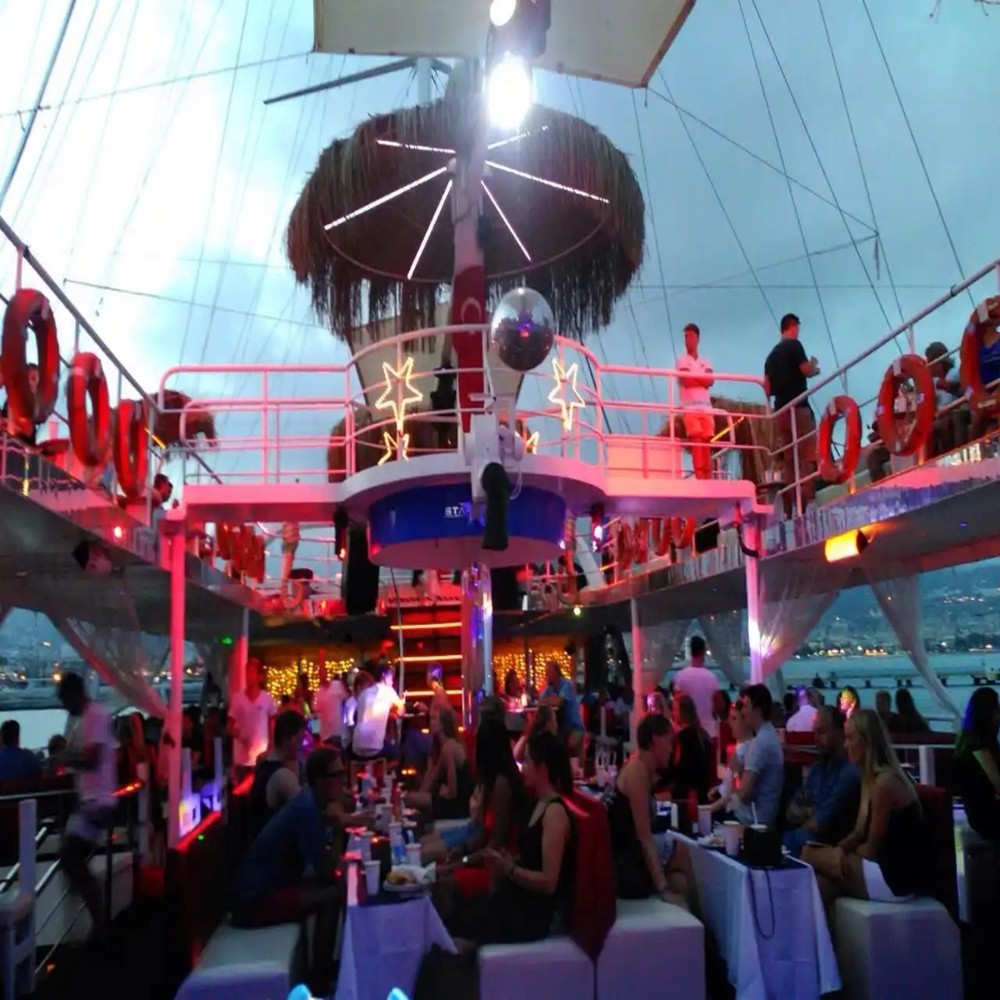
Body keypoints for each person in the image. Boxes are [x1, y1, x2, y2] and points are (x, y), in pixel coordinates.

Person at [232, 747, 345, 994]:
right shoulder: (306, 809)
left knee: (334, 888)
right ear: (320, 781)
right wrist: (339, 829)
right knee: (332, 895)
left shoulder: (308, 802)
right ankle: (320, 981)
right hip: (255, 898)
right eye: (337, 775)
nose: (342, 780)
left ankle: (324, 970)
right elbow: (325, 870)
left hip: (269, 886)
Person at [452, 731, 573, 945]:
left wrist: (510, 869)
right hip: (519, 896)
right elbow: (530, 859)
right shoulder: (538, 803)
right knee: (460, 908)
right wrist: (505, 862)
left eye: (527, 762)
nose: (522, 768)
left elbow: (549, 881)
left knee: (463, 918)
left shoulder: (554, 813)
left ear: (542, 769)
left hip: (534, 913)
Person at [803, 710, 924, 907]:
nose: (845, 745)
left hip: (895, 878)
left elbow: (872, 848)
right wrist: (840, 850)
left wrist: (840, 858)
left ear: (867, 742)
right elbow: (859, 832)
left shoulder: (884, 783)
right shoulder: (869, 779)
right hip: (877, 867)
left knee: (809, 854)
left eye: (850, 738)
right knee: (820, 883)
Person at [56, 672, 118, 945]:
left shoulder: (95, 716)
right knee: (74, 859)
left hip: (97, 801)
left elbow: (92, 758)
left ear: (74, 695)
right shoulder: (86, 718)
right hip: (91, 801)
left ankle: (100, 924)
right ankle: (98, 922)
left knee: (72, 859)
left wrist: (63, 757)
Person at [605, 713, 690, 904]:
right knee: (681, 850)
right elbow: (643, 835)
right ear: (655, 740)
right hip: (622, 862)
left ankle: (693, 918)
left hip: (625, 855)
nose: (671, 750)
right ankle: (706, 921)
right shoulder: (637, 771)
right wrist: (663, 888)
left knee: (681, 883)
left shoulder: (639, 768)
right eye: (669, 742)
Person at [783, 707, 860, 857]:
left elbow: (820, 823)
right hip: (803, 841)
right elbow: (790, 812)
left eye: (822, 732)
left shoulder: (849, 773)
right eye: (815, 732)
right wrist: (809, 812)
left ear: (839, 733)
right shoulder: (816, 770)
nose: (816, 738)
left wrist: (807, 815)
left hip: (828, 847)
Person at [764, 313, 821, 512]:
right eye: (797, 327)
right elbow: (806, 370)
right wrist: (814, 366)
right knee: (807, 455)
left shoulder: (770, 358)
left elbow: (767, 388)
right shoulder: (794, 346)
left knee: (790, 461)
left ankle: (790, 507)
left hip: (781, 412)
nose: (798, 331)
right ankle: (808, 503)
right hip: (798, 408)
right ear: (792, 326)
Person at [729, 685, 784, 827]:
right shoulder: (770, 735)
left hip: (753, 819)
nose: (743, 711)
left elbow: (744, 795)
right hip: (766, 814)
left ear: (757, 711)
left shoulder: (759, 744)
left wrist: (733, 781)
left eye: (746, 706)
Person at [406, 705, 474, 820]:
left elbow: (452, 792)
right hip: (454, 803)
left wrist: (439, 794)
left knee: (411, 799)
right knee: (413, 799)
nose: (430, 723)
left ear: (443, 725)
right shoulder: (441, 748)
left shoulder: (449, 747)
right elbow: (433, 780)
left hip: (458, 806)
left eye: (434, 719)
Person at [249, 710, 307, 837]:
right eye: (299, 740)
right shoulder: (282, 776)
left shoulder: (266, 765)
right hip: (274, 846)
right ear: (287, 740)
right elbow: (306, 812)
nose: (301, 746)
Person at [954, 688, 1000, 840]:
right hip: (987, 815)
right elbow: (997, 783)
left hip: (979, 810)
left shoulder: (965, 741)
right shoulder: (979, 747)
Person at [675, 323, 715, 480]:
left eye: (691, 336)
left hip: (706, 408)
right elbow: (686, 380)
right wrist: (701, 379)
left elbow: (710, 380)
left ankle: (708, 478)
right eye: (686, 337)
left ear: (698, 339)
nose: (688, 340)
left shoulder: (706, 361)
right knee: (697, 441)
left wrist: (696, 378)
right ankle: (700, 478)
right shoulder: (682, 360)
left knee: (706, 442)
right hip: (691, 408)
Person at [228, 658, 277, 770]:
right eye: (247, 672)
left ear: (259, 676)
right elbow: (229, 727)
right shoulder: (237, 699)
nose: (249, 676)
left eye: (253, 672)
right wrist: (239, 735)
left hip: (261, 756)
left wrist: (272, 743)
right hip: (242, 759)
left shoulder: (267, 698)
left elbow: (272, 722)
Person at [351, 661, 405, 759]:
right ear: (384, 676)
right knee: (400, 753)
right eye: (391, 677)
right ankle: (382, 767)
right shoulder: (388, 690)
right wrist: (401, 702)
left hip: (356, 748)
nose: (392, 681)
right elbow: (401, 712)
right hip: (375, 749)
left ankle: (370, 767)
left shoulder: (365, 692)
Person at [672, 636, 720, 740]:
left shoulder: (680, 676)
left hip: (687, 732)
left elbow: (676, 705)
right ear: (703, 652)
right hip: (710, 731)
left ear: (690, 651)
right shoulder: (712, 678)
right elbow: (717, 705)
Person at [667, 694, 710, 803]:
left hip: (685, 795)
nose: (673, 713)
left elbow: (678, 767)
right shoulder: (702, 734)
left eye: (675, 710)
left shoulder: (683, 737)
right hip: (701, 791)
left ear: (683, 712)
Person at [540, 659, 584, 758]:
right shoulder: (549, 688)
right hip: (560, 729)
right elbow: (540, 699)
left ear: (556, 673)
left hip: (574, 727)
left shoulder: (567, 685)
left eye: (548, 672)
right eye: (546, 672)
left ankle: (577, 765)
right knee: (549, 744)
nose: (547, 675)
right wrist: (550, 698)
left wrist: (551, 699)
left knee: (570, 745)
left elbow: (559, 702)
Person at [1, 362, 40, 446]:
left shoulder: (33, 407)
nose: (35, 384)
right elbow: (14, 429)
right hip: (13, 446)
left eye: (38, 381)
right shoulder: (13, 400)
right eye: (33, 379)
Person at [313, 666, 348, 745]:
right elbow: (315, 714)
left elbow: (346, 700)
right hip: (325, 733)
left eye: (324, 673)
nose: (322, 675)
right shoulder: (318, 693)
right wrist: (315, 733)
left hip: (337, 729)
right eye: (320, 674)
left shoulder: (337, 685)